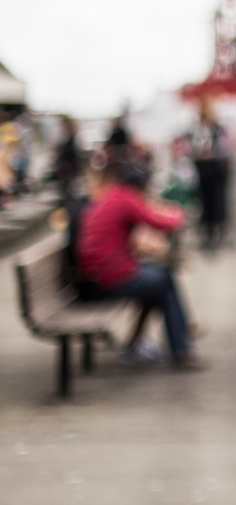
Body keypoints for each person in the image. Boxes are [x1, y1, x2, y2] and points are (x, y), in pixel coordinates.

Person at [75, 153, 202, 368]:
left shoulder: (112, 196)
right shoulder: (125, 198)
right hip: (107, 277)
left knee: (160, 281)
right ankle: (181, 347)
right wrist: (179, 214)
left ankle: (171, 343)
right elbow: (160, 222)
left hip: (96, 273)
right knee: (164, 280)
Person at [188, 101, 231, 251]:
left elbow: (224, 150)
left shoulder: (216, 131)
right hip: (204, 169)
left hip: (213, 170)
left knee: (215, 202)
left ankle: (215, 231)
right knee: (205, 201)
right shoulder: (198, 131)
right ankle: (209, 231)